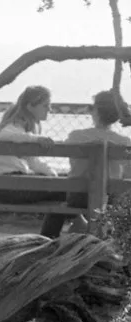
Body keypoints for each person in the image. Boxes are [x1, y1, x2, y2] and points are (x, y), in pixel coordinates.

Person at [41, 89, 131, 238]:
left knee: (58, 209)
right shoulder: (124, 142)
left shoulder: (75, 136)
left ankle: (45, 241)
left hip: (77, 197)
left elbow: (72, 162)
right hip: (111, 198)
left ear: (95, 111)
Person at [0, 85, 58, 207]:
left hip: (8, 187)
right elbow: (4, 135)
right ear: (30, 106)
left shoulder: (23, 131)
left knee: (66, 187)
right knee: (67, 193)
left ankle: (63, 225)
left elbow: (32, 162)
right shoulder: (14, 126)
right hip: (9, 188)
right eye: (45, 105)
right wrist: (36, 138)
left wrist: (54, 176)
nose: (49, 109)